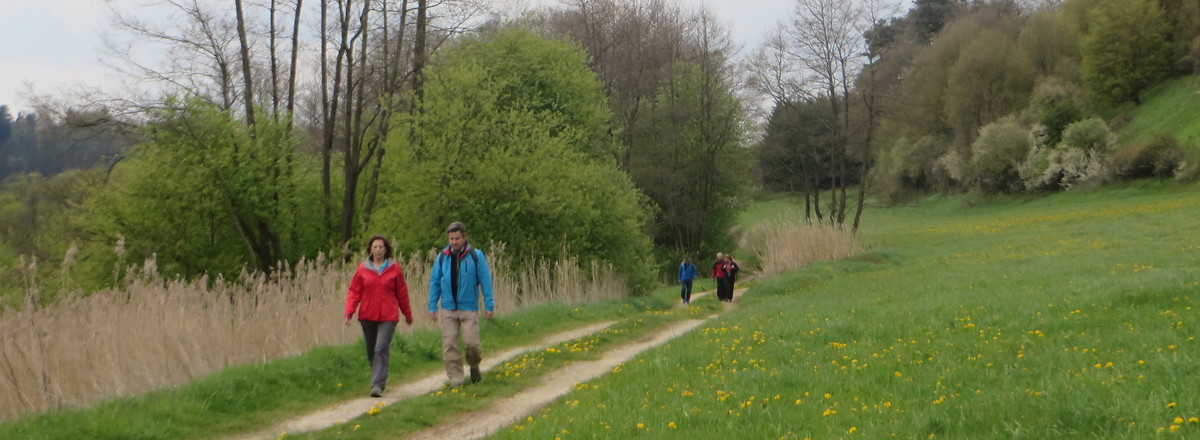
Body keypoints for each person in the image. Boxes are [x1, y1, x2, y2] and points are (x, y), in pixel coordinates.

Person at [344, 235, 414, 398]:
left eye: (381, 247)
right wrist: (349, 312)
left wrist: (407, 314)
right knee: (371, 350)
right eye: (375, 247)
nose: (377, 250)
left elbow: (402, 293)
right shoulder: (363, 269)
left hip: (388, 316)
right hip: (367, 315)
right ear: (370, 249)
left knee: (380, 348)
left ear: (386, 249)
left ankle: (377, 385)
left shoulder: (394, 268)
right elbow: (354, 292)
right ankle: (378, 375)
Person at [429, 221, 495, 386]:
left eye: (457, 238)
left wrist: (489, 304)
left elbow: (485, 281)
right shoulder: (442, 257)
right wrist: (432, 306)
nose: (454, 242)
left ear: (465, 237)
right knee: (450, 344)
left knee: (472, 343)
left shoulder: (475, 256)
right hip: (448, 308)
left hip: (469, 308)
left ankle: (474, 365)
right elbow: (435, 282)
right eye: (451, 239)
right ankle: (456, 379)